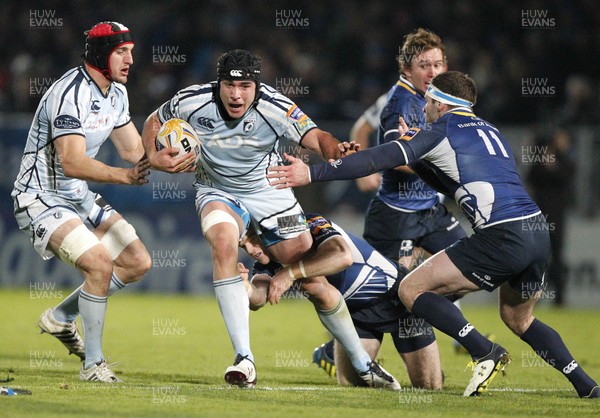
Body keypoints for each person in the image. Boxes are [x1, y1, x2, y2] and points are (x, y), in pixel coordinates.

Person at [266, 71, 600, 399]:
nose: (423, 106)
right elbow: (454, 185)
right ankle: (586, 385)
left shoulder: (440, 130)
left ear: (440, 103)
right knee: (519, 318)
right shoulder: (490, 130)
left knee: (411, 288)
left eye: (427, 100)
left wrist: (311, 172)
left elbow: (375, 160)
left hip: (502, 237)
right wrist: (423, 157)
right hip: (536, 231)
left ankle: (484, 351)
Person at [141, 49, 354, 388]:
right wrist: (153, 154)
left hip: (270, 193)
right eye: (229, 84)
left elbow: (317, 137)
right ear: (219, 83)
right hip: (217, 192)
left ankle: (362, 363)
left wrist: (336, 152)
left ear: (256, 85)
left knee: (309, 278)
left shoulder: (275, 106)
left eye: (245, 86)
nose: (236, 94)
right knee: (223, 243)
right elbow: (154, 120)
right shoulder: (191, 100)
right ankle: (245, 358)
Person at [12, 21, 151, 382]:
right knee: (100, 265)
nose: (130, 60)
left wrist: (174, 158)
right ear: (102, 54)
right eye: (122, 52)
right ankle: (93, 365)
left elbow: (133, 151)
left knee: (137, 262)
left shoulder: (117, 94)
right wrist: (124, 176)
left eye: (131, 51)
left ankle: (59, 317)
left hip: (78, 198)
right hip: (40, 197)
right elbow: (71, 162)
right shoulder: (68, 93)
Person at [239, 213, 441, 390]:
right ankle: (329, 355)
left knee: (428, 386)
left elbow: (342, 256)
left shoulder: (303, 223)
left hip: (396, 299)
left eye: (253, 239)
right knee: (353, 384)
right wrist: (246, 288)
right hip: (354, 313)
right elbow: (258, 299)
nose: (250, 249)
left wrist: (290, 273)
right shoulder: (266, 262)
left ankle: (329, 352)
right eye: (243, 246)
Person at [526, 128, 575, 306]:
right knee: (539, 257)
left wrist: (552, 166)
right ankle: (535, 295)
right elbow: (530, 178)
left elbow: (567, 177)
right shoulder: (540, 159)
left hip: (558, 216)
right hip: (540, 214)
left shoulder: (566, 161)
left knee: (558, 257)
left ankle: (559, 298)